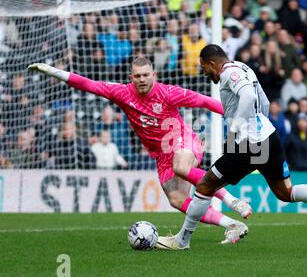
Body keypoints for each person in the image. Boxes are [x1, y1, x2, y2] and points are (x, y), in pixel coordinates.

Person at [156, 44, 307, 250]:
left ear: (212, 63)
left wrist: (237, 128)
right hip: (268, 135)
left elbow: (248, 96)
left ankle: (182, 241)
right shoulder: (243, 67)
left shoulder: (229, 73)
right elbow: (263, 102)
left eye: (204, 68)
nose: (205, 74)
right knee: (285, 192)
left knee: (204, 187)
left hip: (248, 144)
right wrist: (257, 124)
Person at [27, 57, 252, 243]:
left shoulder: (167, 92)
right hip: (161, 155)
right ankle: (230, 224)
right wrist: (53, 71)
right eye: (138, 76)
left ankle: (234, 201)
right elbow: (89, 84)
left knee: (181, 167)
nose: (142, 79)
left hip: (181, 138)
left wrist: (239, 116)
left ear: (154, 75)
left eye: (146, 75)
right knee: (176, 199)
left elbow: (204, 101)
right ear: (131, 78)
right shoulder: (122, 93)